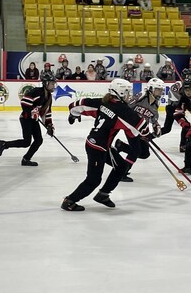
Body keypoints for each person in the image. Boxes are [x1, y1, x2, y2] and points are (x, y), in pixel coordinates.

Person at [61, 79, 150, 211]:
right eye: (127, 92)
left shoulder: (103, 102)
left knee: (121, 166)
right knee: (93, 180)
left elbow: (78, 104)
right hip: (97, 148)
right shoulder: (123, 110)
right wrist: (145, 134)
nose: (129, 95)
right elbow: (141, 126)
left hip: (99, 145)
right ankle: (69, 201)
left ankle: (103, 195)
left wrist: (73, 115)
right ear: (119, 92)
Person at [0, 73, 57, 166]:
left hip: (34, 120)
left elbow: (46, 112)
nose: (54, 85)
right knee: (26, 142)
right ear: (46, 83)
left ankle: (26, 159)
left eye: (54, 83)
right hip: (26, 119)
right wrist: (31, 112)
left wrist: (49, 125)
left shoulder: (48, 97)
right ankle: (4, 144)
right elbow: (24, 101)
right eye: (52, 83)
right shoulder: (37, 92)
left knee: (38, 140)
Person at [115, 78, 165, 182]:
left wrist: (156, 126)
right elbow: (126, 107)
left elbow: (153, 117)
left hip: (142, 129)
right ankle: (121, 173)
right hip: (131, 127)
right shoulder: (141, 96)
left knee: (144, 154)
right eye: (158, 89)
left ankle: (121, 146)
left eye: (161, 90)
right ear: (150, 88)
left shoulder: (156, 103)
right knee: (136, 151)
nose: (160, 92)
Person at [161, 71, 191, 152]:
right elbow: (174, 95)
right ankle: (183, 145)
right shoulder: (178, 84)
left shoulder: (187, 86)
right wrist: (184, 96)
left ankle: (149, 137)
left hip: (178, 108)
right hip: (172, 108)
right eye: (189, 76)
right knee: (184, 126)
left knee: (167, 128)